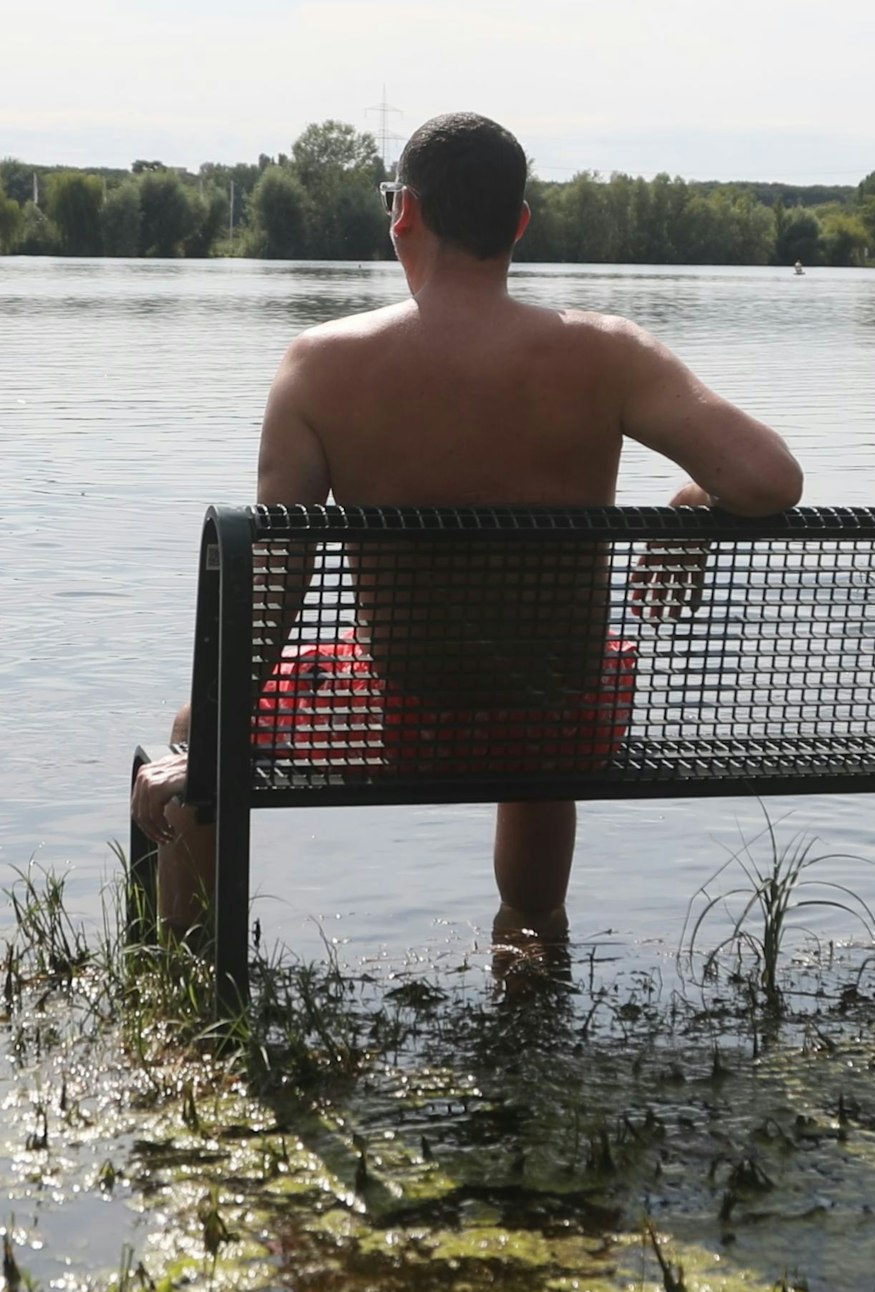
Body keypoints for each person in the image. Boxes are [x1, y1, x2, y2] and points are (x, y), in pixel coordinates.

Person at [130, 112, 803, 932]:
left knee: (192, 724)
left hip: (409, 722)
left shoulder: (321, 366)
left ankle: (192, 967)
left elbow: (272, 585)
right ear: (517, 223)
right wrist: (693, 503)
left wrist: (208, 736)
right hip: (566, 727)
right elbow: (770, 479)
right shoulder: (609, 351)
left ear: (404, 211)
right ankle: (530, 941)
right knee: (543, 701)